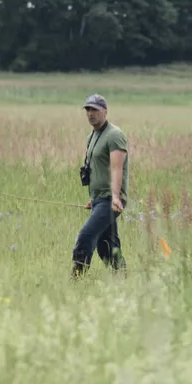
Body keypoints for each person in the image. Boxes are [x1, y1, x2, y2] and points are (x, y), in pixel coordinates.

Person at [72, 93, 129, 278]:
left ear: (105, 111)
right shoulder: (92, 136)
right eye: (88, 109)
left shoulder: (115, 135)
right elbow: (96, 169)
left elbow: (116, 168)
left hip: (111, 200)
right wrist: (94, 199)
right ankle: (122, 278)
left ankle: (77, 278)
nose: (90, 113)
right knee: (107, 246)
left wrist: (115, 197)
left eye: (95, 109)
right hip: (99, 199)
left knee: (86, 236)